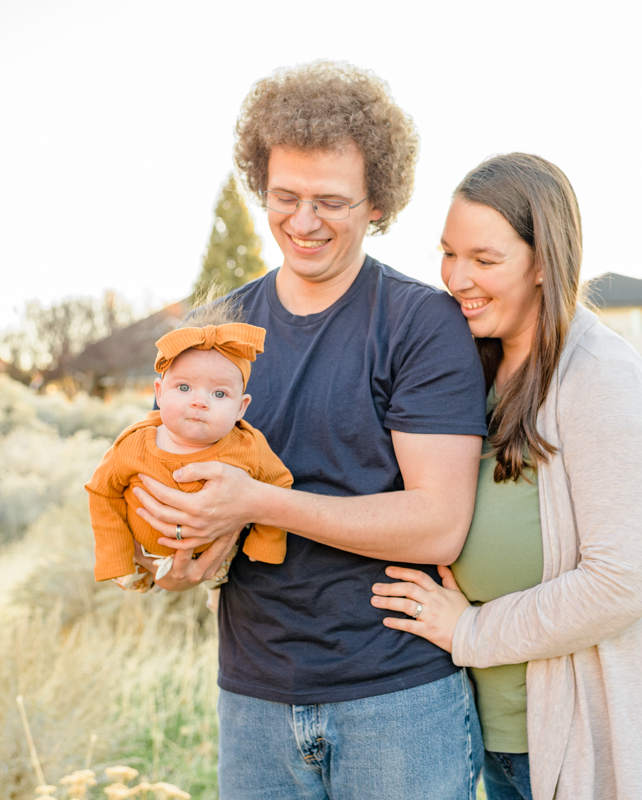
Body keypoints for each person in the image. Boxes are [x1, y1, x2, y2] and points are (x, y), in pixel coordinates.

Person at [126, 62, 489, 799]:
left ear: (379, 201)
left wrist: (257, 503)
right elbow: (165, 485)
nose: (303, 221)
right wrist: (171, 559)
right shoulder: (214, 334)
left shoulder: (423, 324)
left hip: (397, 696)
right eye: (285, 197)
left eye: (331, 201)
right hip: (253, 698)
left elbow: (438, 525)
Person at [371, 153, 642, 799]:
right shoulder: (472, 366)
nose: (457, 277)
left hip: (591, 733)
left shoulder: (602, 378)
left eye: (485, 260)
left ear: (544, 261)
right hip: (499, 735)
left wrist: (469, 631)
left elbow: (623, 581)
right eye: (448, 253)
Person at [84, 308, 293, 601]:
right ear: (159, 393)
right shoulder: (133, 443)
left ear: (241, 408)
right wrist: (116, 554)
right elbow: (101, 492)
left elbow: (278, 484)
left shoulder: (248, 445)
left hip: (220, 559)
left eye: (219, 394)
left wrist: (265, 544)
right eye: (183, 387)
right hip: (145, 558)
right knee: (131, 581)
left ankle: (215, 591)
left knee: (223, 587)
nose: (199, 402)